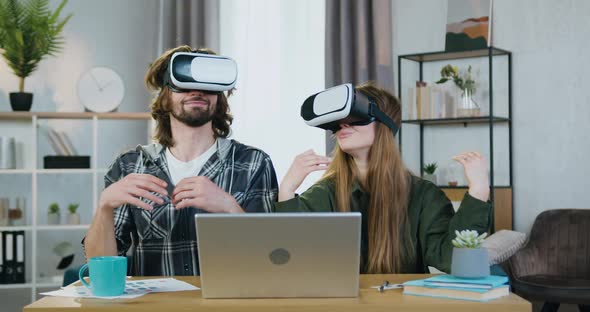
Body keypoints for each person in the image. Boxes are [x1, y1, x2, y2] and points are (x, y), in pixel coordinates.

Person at [83, 46, 278, 276]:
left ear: (219, 97)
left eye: (207, 84)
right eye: (184, 82)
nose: (196, 91)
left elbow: (270, 259)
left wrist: (229, 208)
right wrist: (104, 206)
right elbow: (100, 271)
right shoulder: (130, 166)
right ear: (165, 95)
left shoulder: (254, 163)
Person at [275, 82, 490, 274]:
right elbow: (292, 257)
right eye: (339, 120)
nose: (343, 125)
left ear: (384, 124)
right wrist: (287, 189)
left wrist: (479, 190)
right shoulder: (325, 193)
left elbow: (451, 259)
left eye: (354, 116)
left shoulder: (423, 196)